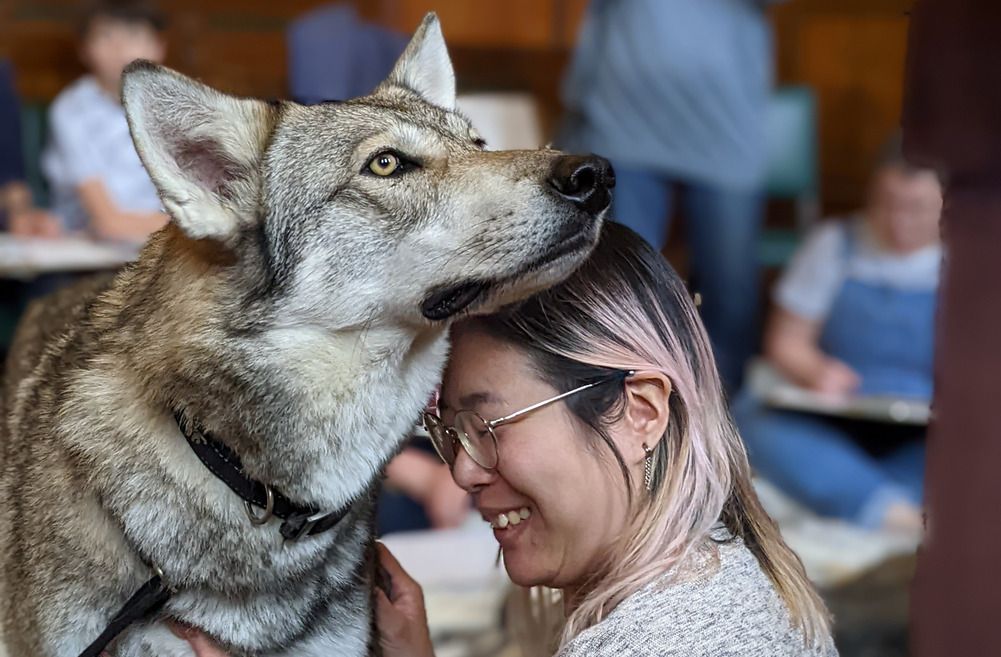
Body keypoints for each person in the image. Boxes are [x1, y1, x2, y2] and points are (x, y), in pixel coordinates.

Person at [178, 222, 836, 656]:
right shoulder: (707, 575)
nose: (462, 471)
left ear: (639, 411)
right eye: (447, 430)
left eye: (487, 425)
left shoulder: (669, 638)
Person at [557, 0, 782, 391]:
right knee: (619, 279)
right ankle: (614, 400)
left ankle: (720, 418)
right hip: (622, 116)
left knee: (729, 291)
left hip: (724, 125)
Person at [733, 138, 942, 533]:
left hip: (925, 425)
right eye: (887, 204)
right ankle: (895, 512)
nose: (899, 222)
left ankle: (861, 496)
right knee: (751, 419)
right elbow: (787, 340)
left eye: (916, 210)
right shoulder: (834, 244)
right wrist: (815, 371)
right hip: (837, 414)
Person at [36, 0, 169, 242]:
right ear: (85, 49)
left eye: (133, 34)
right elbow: (109, 222)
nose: (120, 48)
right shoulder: (71, 110)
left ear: (158, 47)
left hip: (164, 244)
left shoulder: (174, 106)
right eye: (106, 35)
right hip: (88, 248)